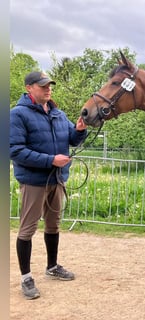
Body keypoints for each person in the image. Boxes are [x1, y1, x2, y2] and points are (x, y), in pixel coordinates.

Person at [10, 71, 88, 299]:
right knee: (27, 229)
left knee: (53, 226)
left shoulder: (58, 113)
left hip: (57, 179)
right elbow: (15, 150)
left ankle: (52, 267)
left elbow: (71, 139)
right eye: (42, 85)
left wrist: (80, 131)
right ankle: (26, 278)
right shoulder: (17, 115)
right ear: (29, 88)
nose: (48, 89)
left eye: (49, 85)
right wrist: (50, 160)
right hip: (34, 182)